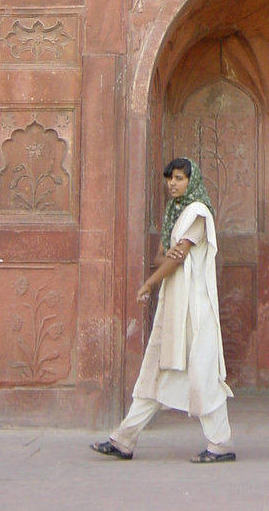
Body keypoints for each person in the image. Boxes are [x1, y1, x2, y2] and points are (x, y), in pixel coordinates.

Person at [91, 157, 235, 463]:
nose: (173, 184)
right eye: (170, 178)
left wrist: (149, 283)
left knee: (203, 372)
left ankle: (220, 444)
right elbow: (163, 255)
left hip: (195, 307)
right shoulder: (174, 212)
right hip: (173, 305)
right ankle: (124, 439)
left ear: (190, 181)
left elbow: (178, 258)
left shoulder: (197, 212)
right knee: (155, 369)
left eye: (180, 178)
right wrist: (163, 266)